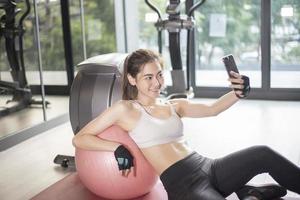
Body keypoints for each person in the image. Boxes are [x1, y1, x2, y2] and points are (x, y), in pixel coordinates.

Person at [72, 49, 300, 200]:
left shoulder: (174, 104)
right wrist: (116, 148)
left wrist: (238, 93)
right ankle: (249, 194)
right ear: (132, 79)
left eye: (159, 75)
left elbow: (212, 109)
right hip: (184, 185)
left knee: (263, 153)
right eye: (148, 77)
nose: (157, 83)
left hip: (208, 166)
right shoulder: (126, 109)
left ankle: (249, 192)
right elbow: (80, 138)